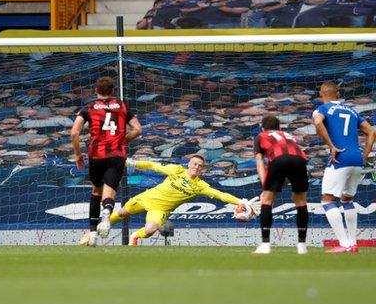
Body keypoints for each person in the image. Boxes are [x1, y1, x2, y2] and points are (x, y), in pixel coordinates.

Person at [110, 155, 261, 245]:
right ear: (189, 164)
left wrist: (241, 201)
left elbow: (220, 194)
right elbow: (153, 166)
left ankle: (135, 236)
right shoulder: (176, 170)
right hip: (145, 198)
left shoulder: (200, 186)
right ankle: (95, 229)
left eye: (200, 166)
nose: (196, 167)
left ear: (202, 169)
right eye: (195, 164)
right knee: (122, 213)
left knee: (150, 230)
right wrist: (133, 163)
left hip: (160, 210)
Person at [71, 77, 142, 246]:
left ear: (96, 90)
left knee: (96, 191)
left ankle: (93, 234)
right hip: (117, 155)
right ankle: (107, 211)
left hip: (96, 156)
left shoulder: (88, 107)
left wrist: (78, 155)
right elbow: (138, 129)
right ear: (112, 91)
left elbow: (74, 133)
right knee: (109, 194)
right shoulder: (122, 105)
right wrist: (123, 141)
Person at [312, 82, 375, 253]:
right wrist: (365, 155)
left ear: (321, 94)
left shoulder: (322, 109)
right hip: (357, 159)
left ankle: (344, 244)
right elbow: (372, 132)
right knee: (347, 200)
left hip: (340, 157)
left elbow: (318, 123)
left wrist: (331, 146)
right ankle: (353, 243)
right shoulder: (353, 111)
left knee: (327, 200)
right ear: (338, 93)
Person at [252, 115, 309, 254]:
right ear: (279, 127)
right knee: (301, 201)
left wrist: (264, 186)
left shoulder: (261, 135)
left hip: (279, 160)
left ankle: (265, 245)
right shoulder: (288, 135)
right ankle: (302, 246)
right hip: (299, 160)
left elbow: (260, 162)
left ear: (263, 127)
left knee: (267, 200)